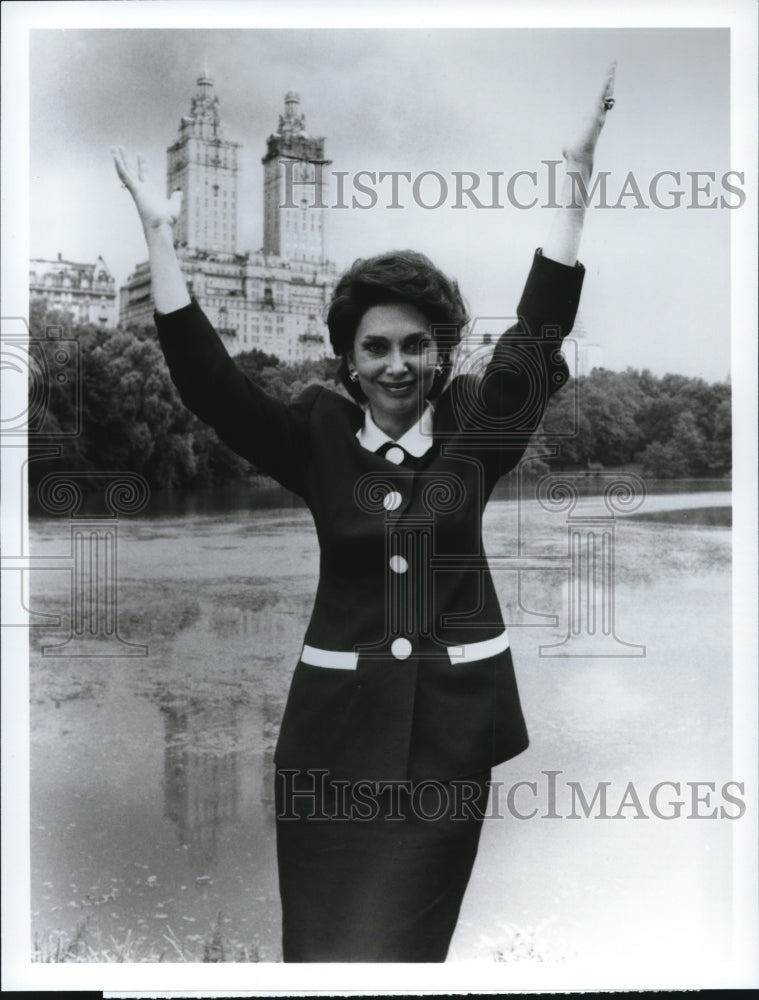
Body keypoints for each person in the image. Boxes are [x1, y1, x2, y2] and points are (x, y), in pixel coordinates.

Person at [113, 64, 616, 963]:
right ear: (346, 358)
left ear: (440, 352)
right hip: (329, 752)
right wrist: (160, 236)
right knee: (320, 954)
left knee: (404, 957)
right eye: (374, 347)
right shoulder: (315, 434)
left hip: (444, 748)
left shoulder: (473, 425)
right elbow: (211, 387)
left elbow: (537, 336)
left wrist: (574, 176)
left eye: (415, 345)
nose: (395, 363)